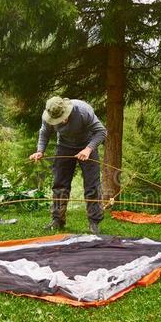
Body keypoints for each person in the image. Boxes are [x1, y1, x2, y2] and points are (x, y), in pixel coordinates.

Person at [29, 96, 107, 234]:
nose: (62, 121)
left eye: (63, 117)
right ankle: (57, 220)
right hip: (64, 146)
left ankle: (94, 223)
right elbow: (44, 133)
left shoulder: (83, 111)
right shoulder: (47, 116)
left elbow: (101, 132)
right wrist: (40, 151)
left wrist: (88, 149)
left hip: (87, 145)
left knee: (92, 185)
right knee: (60, 184)